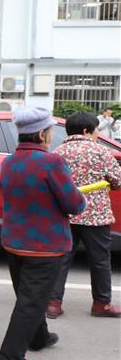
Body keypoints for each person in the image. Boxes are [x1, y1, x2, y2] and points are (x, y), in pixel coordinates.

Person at [0, 107, 86, 360]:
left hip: (14, 240)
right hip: (45, 245)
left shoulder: (8, 161)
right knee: (31, 301)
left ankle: (39, 337)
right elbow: (73, 203)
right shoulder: (52, 163)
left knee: (28, 296)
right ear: (42, 134)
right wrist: (80, 196)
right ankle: (10, 357)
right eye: (50, 131)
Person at [49, 112, 121, 318]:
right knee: (100, 261)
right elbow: (117, 180)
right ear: (86, 131)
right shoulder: (101, 151)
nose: (98, 133)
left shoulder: (57, 153)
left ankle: (53, 303)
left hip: (64, 214)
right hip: (95, 216)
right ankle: (101, 304)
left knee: (61, 259)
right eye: (96, 129)